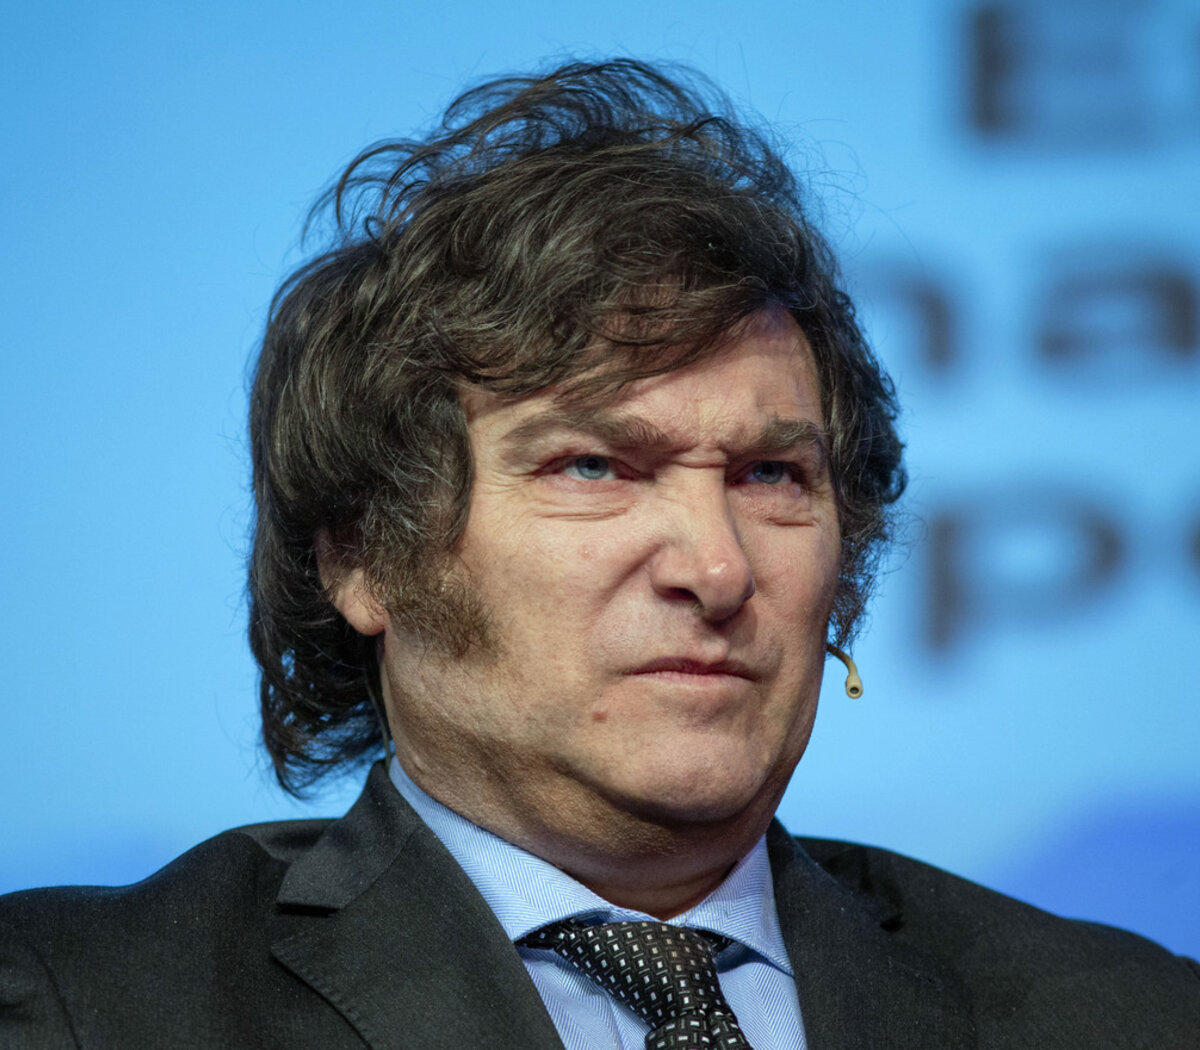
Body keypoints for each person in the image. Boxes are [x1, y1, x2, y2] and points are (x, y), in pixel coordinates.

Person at [1, 58, 1196, 1050]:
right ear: (365, 555)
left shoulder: (1124, 1016)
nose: (716, 570)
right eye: (595, 468)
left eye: (771, 477)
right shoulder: (82, 1006)